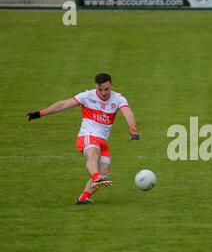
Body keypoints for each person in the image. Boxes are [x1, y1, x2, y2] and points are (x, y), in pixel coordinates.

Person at [27, 73, 140, 205]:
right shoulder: (87, 96)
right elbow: (63, 105)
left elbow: (127, 112)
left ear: (111, 86)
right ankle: (96, 177)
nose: (103, 93)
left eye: (106, 89)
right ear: (96, 87)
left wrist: (133, 129)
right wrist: (41, 113)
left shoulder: (118, 99)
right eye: (100, 89)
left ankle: (83, 198)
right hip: (87, 135)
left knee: (104, 170)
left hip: (103, 140)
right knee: (94, 154)